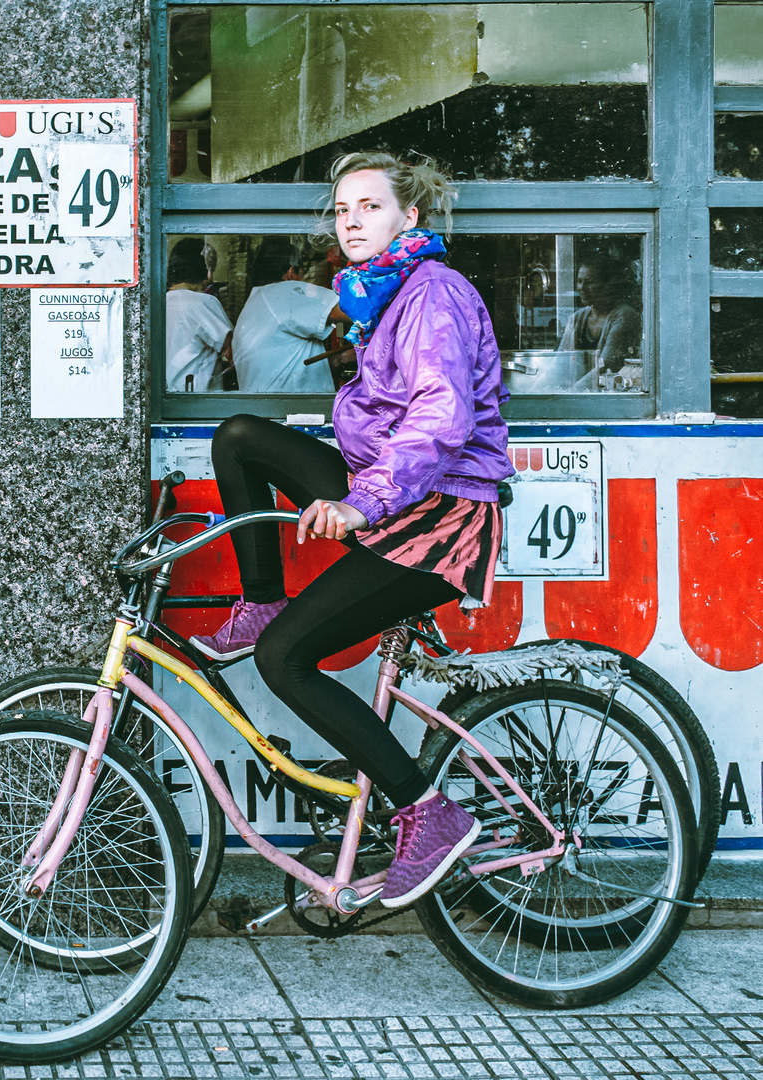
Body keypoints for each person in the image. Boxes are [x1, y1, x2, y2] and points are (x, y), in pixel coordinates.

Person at [188, 151, 514, 909]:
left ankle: (424, 812)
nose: (352, 221)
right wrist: (365, 489)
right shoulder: (382, 298)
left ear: (411, 217)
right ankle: (262, 596)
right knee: (240, 436)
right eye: (342, 210)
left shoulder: (433, 293)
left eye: (369, 206)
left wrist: (363, 503)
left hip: (438, 519)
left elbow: (441, 417)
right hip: (393, 497)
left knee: (284, 659)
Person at [231, 255, 349, 393]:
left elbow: (288, 362)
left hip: (267, 402)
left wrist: (341, 359)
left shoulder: (257, 300)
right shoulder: (286, 290)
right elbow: (351, 310)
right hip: (286, 406)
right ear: (292, 272)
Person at [164, 238, 233, 392]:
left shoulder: (160, 303)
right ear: (206, 271)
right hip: (197, 400)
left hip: (167, 397)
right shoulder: (202, 302)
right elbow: (232, 352)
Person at [558, 255, 642, 376]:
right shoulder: (577, 318)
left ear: (607, 284)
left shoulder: (623, 316)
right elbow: (560, 362)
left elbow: (605, 364)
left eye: (589, 282)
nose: (582, 288)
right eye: (579, 281)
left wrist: (574, 392)